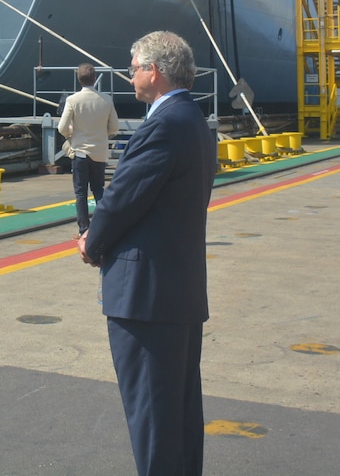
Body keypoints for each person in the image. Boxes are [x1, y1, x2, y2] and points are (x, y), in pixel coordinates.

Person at [79, 31, 217, 475]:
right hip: (178, 290)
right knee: (178, 416)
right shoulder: (194, 120)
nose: (131, 76)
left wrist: (92, 242)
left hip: (147, 298)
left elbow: (122, 197)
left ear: (153, 72)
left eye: (134, 68)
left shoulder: (162, 124)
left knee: (153, 421)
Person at [58, 63, 120, 233]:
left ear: (79, 79)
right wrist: (101, 133)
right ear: (94, 78)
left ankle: (84, 229)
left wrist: (72, 133)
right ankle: (105, 225)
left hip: (80, 153)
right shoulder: (106, 99)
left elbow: (62, 127)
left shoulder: (73, 100)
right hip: (99, 152)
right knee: (98, 190)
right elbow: (115, 127)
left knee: (81, 194)